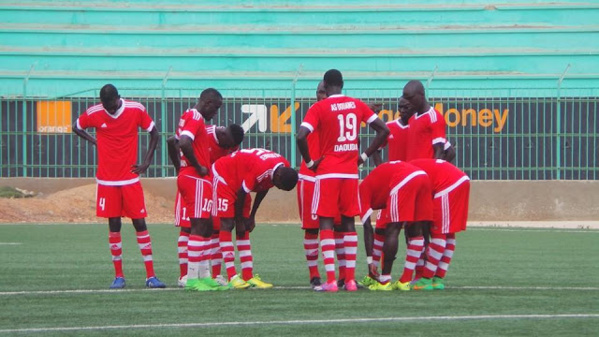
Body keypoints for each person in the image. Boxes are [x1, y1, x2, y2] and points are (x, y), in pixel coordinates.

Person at [296, 69, 390, 292]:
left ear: (326, 86)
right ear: (343, 84)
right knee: (348, 223)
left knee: (326, 222)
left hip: (328, 172)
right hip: (350, 173)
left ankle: (330, 280)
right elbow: (383, 130)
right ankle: (349, 280)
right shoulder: (356, 104)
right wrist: (363, 156)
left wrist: (310, 163)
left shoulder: (319, 107)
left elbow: (300, 136)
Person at [72, 84, 165, 289]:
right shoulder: (95, 112)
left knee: (139, 223)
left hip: (130, 179)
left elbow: (155, 133)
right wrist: (94, 141)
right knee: (114, 224)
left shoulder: (136, 109)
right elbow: (76, 127)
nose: (109, 108)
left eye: (112, 104)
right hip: (107, 180)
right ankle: (119, 276)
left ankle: (151, 276)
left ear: (118, 98)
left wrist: (147, 161)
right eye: (105, 104)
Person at [167, 123, 245, 287]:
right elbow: (172, 141)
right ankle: (184, 276)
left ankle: (214, 275)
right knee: (188, 228)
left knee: (213, 229)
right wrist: (180, 169)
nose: (229, 149)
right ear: (223, 135)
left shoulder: (231, 144)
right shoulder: (204, 133)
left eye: (233, 147)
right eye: (229, 145)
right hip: (191, 183)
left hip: (211, 186)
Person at [212, 148, 298, 289]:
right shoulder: (261, 169)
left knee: (245, 228)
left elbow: (264, 186)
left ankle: (248, 276)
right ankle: (232, 276)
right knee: (227, 224)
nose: (278, 188)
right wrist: (239, 220)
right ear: (278, 177)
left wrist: (252, 216)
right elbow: (242, 192)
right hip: (224, 176)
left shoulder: (282, 167)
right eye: (280, 186)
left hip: (242, 181)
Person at [175, 88, 229, 291]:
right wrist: (197, 166)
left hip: (195, 177)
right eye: (215, 108)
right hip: (194, 177)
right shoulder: (196, 117)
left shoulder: (189, 116)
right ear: (207, 103)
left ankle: (205, 275)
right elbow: (183, 142)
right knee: (198, 226)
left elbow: (174, 141)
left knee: (206, 226)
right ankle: (191, 278)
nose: (215, 113)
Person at [359, 160, 433, 291]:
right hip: (422, 176)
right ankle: (405, 281)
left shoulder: (360, 192)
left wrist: (370, 262)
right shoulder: (372, 183)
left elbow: (367, 229)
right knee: (415, 230)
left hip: (402, 180)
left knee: (392, 230)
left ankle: (385, 280)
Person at [408, 159, 470, 290]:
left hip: (448, 184)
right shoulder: (410, 167)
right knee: (448, 231)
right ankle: (438, 277)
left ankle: (426, 278)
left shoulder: (405, 175)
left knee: (439, 231)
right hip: (458, 180)